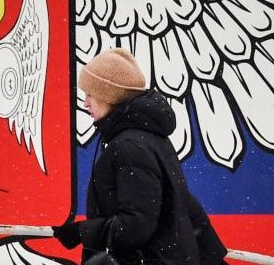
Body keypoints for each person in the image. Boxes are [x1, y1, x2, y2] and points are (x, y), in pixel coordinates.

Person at [51, 48, 227, 264]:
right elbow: (180, 202)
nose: (85, 102)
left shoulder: (128, 146)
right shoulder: (148, 137)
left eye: (90, 94)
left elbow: (136, 226)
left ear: (109, 96)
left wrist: (82, 232)